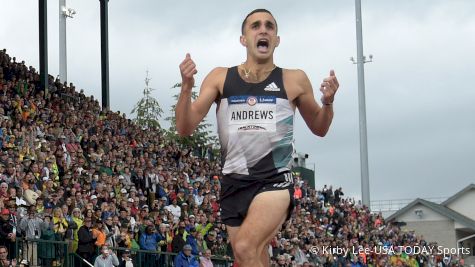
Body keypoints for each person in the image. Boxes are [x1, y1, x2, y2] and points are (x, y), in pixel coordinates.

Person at [175, 9, 339, 266]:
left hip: (273, 179)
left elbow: (319, 127)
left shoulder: (294, 79)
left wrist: (328, 103)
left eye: (269, 27)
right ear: (243, 39)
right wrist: (186, 88)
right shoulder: (220, 77)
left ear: (276, 39)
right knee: (251, 256)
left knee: (244, 246)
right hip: (233, 182)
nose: (263, 30)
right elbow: (185, 128)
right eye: (255, 26)